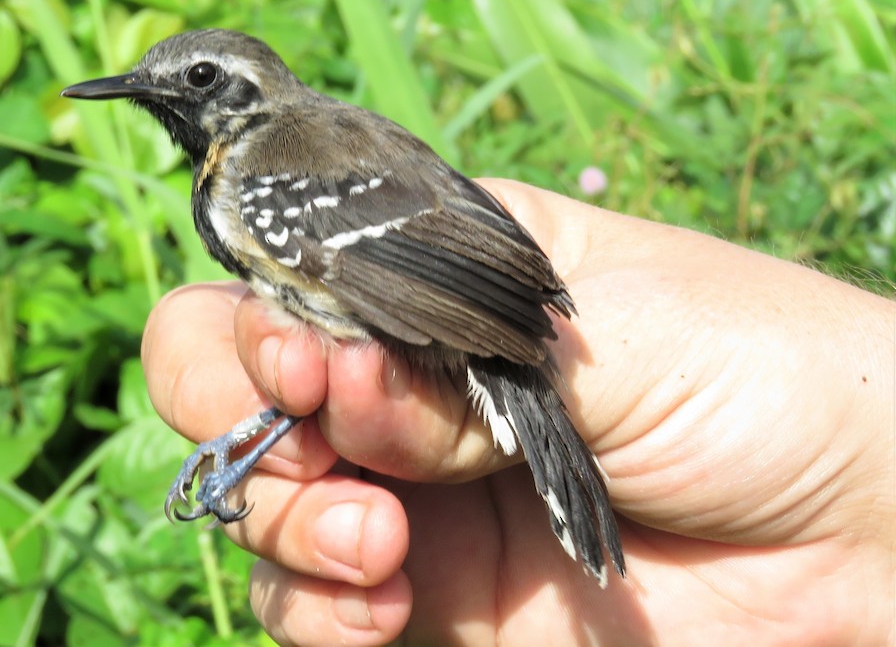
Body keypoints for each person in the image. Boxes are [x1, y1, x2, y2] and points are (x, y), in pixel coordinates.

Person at [141, 179, 896, 645]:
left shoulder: (257, 179)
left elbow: (374, 310)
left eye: (201, 80)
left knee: (330, 378)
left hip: (466, 323)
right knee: (322, 379)